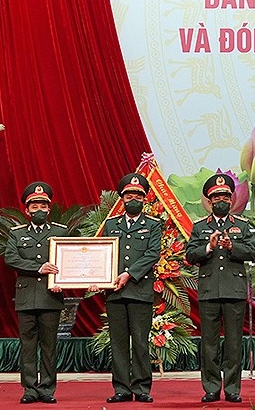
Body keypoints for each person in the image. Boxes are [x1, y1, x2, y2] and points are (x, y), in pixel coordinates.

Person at [185, 173, 255, 404]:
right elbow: (189, 256)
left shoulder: (241, 226)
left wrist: (231, 245)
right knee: (209, 343)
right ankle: (212, 388)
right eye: (217, 197)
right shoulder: (199, 227)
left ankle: (233, 389)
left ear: (231, 199)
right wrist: (208, 246)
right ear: (209, 200)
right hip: (209, 290)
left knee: (234, 343)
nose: (221, 200)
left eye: (226, 196)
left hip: (234, 290)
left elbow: (253, 252)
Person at [100, 173, 162, 403]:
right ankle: (122, 389)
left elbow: (152, 254)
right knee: (117, 343)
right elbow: (102, 255)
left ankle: (142, 387)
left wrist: (129, 274)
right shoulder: (110, 224)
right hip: (114, 292)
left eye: (138, 194)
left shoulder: (153, 225)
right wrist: (97, 277)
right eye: (129, 195)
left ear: (144, 198)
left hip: (140, 291)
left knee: (140, 342)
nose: (133, 198)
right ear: (122, 198)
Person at [3, 182, 68, 404]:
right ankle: (29, 389)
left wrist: (63, 280)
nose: (39, 209)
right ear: (26, 210)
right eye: (34, 206)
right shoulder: (17, 234)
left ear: (49, 209)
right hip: (26, 296)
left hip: (51, 295)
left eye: (43, 205)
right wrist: (38, 267)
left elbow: (68, 261)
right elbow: (11, 258)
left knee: (49, 346)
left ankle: (47, 389)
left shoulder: (61, 232)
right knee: (28, 345)